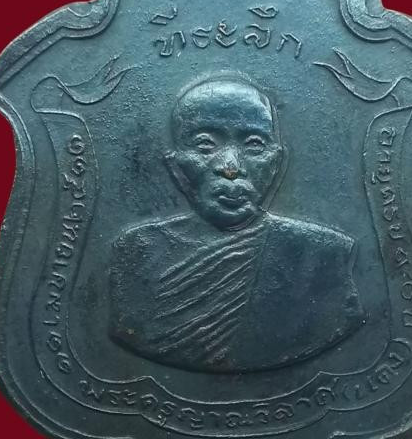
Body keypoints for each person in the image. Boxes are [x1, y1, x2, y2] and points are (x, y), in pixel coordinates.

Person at [109, 76, 364, 372]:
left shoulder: (321, 256)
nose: (230, 167)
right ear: (175, 165)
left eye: (254, 145)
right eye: (205, 145)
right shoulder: (137, 252)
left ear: (276, 162)